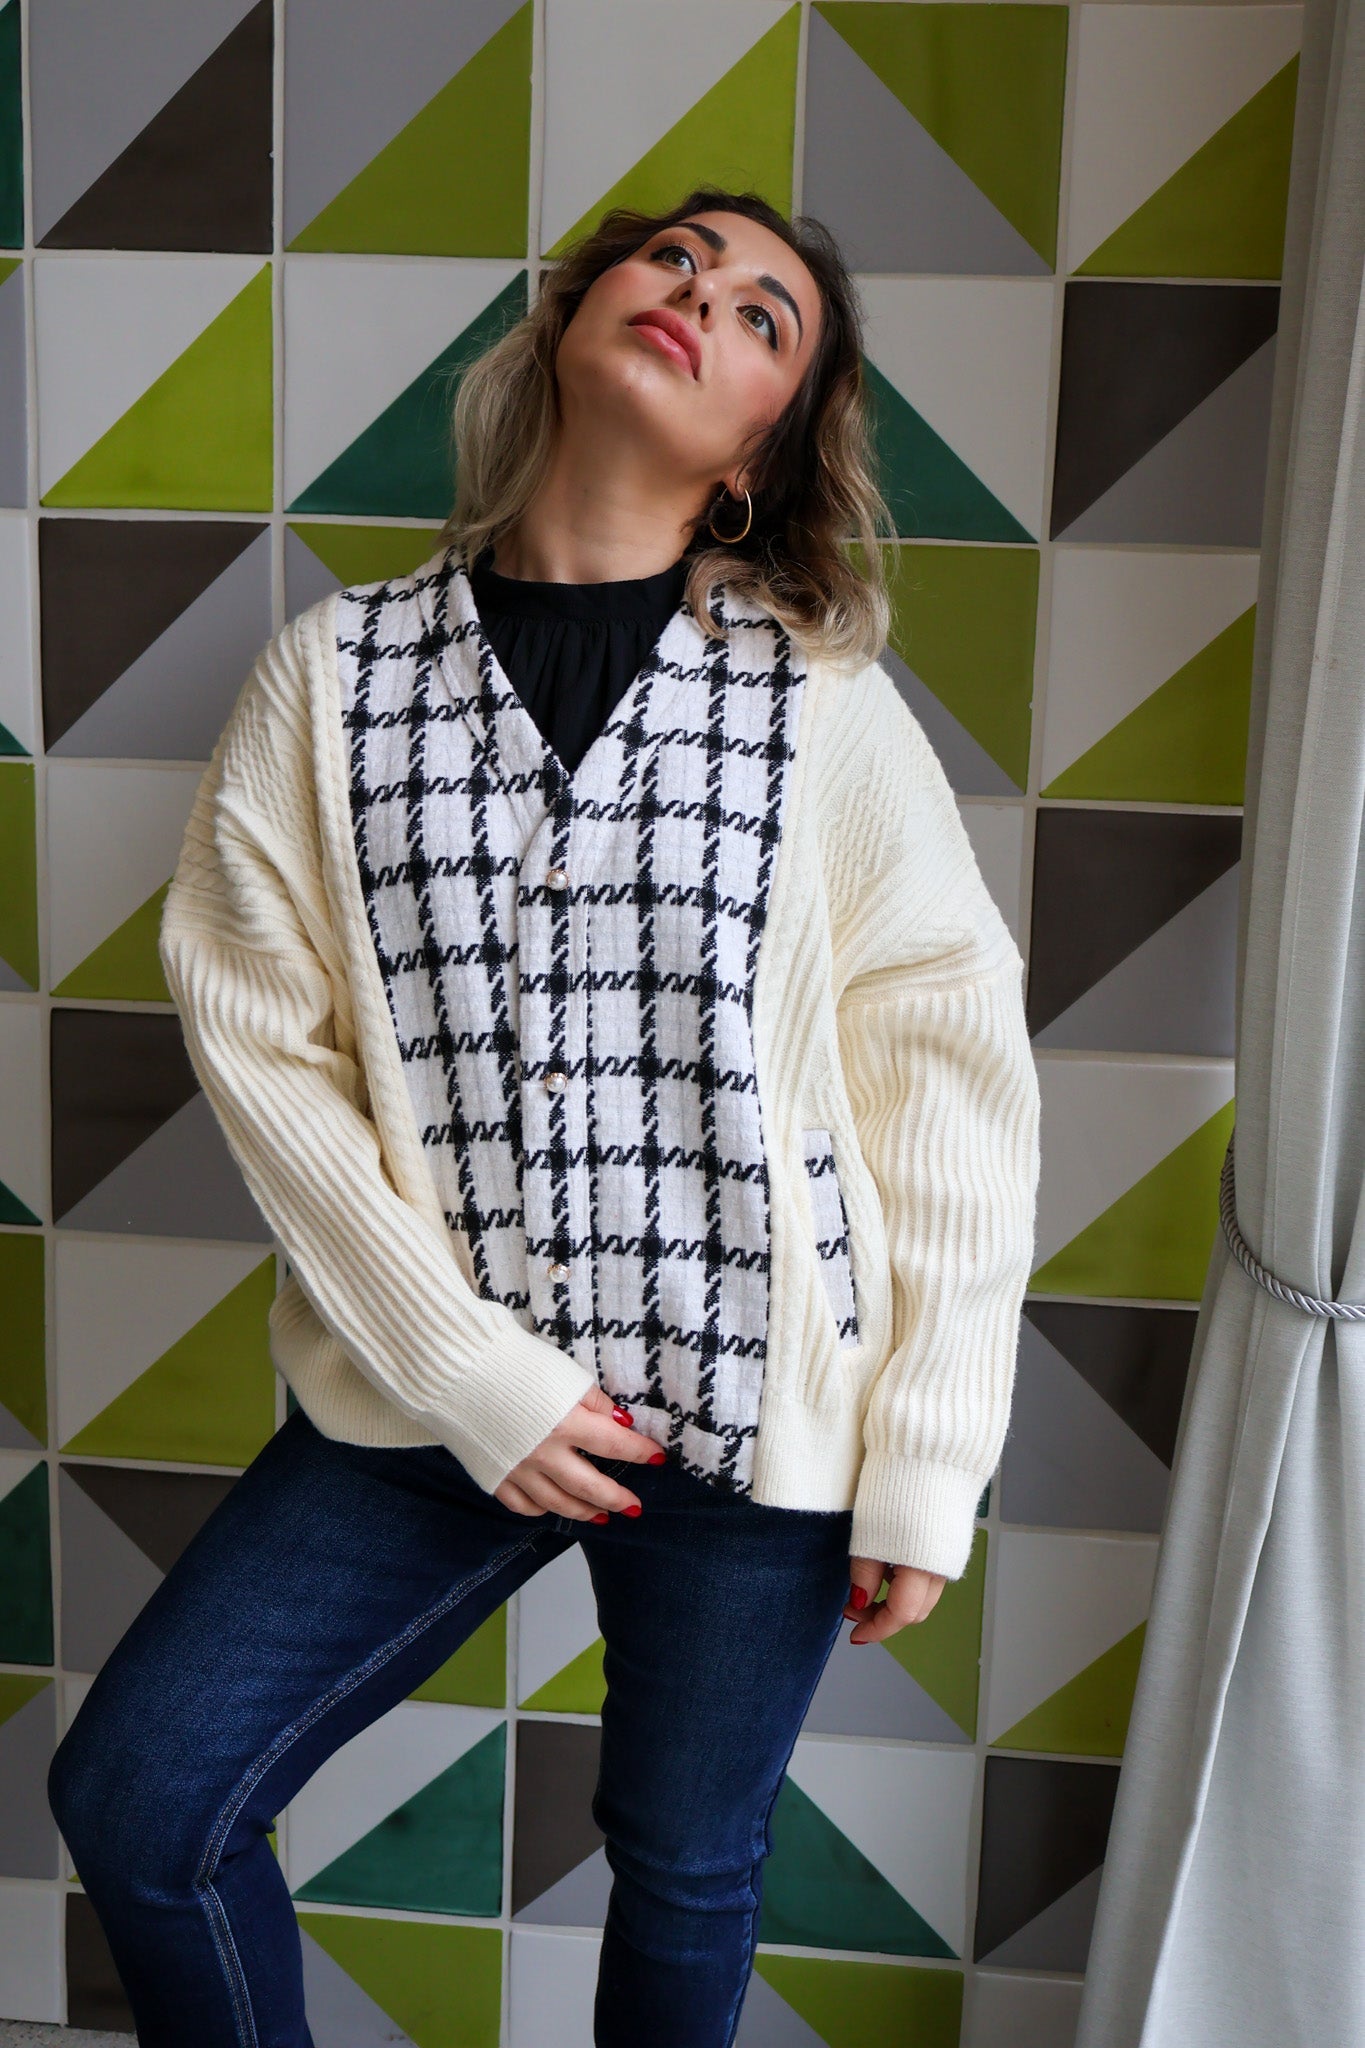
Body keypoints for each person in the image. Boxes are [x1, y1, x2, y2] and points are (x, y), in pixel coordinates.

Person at [46, 185, 1041, 2047]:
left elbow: (950, 1082)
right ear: (574, 316)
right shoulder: (334, 680)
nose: (700, 296)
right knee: (145, 1801)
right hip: (424, 1398)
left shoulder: (820, 706)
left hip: (753, 1409)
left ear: (759, 451)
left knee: (683, 1869)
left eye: (761, 314)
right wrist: (463, 1372)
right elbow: (263, 1047)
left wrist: (928, 1452)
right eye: (675, 261)